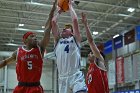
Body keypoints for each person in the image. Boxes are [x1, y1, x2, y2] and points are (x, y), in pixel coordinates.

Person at [0, 1, 57, 93]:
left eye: (36, 36)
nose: (35, 38)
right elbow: (6, 61)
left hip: (35, 87)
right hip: (21, 87)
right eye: (32, 36)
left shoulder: (40, 48)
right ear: (25, 40)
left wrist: (52, 12)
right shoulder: (18, 52)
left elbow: (47, 29)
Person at [51, 0, 87, 93]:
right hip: (62, 78)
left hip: (75, 76)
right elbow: (53, 22)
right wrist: (59, 11)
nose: (63, 28)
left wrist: (70, 5)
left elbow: (74, 20)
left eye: (66, 28)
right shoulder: (58, 41)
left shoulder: (75, 39)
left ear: (71, 32)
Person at [81, 12, 109, 93]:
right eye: (90, 53)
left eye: (92, 53)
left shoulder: (100, 62)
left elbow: (91, 41)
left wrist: (86, 25)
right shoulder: (90, 68)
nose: (89, 54)